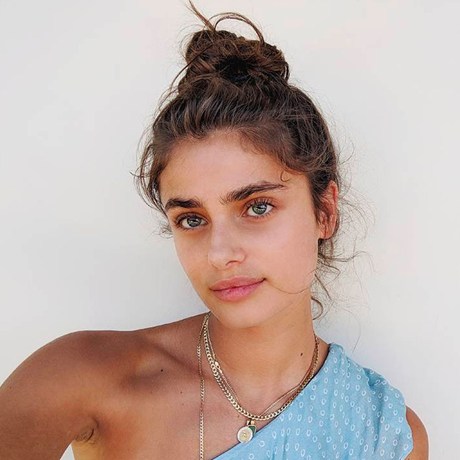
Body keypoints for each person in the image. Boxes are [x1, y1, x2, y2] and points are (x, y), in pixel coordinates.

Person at [0, 5, 428, 460]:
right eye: (192, 219)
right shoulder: (83, 378)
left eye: (257, 207)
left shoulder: (382, 431)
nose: (219, 254)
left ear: (324, 211)